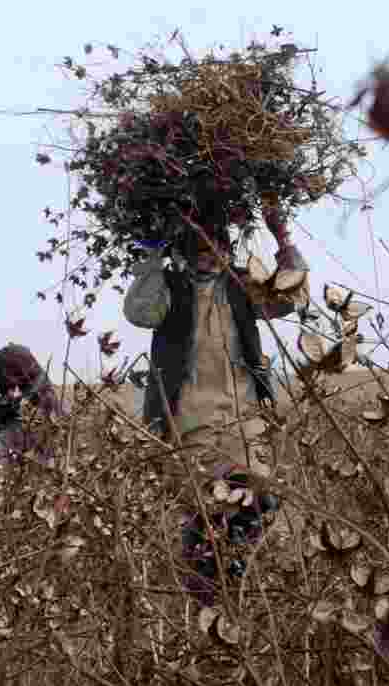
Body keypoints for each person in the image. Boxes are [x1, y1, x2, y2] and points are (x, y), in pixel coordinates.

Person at [124, 200, 309, 605]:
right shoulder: (170, 288)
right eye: (202, 250)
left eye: (218, 249)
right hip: (188, 420)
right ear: (187, 253)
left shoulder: (243, 285)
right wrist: (153, 254)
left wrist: (283, 237)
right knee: (206, 510)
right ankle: (208, 598)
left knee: (260, 498)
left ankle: (233, 584)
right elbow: (140, 313)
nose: (212, 258)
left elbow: (291, 298)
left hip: (243, 420)